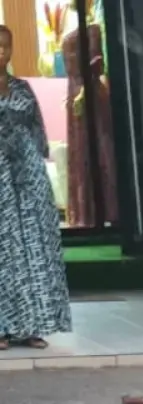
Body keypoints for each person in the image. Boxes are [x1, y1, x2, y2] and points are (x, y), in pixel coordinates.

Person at [0, 25, 73, 351]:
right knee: (5, 251)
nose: (2, 51)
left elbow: (37, 130)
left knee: (34, 248)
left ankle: (32, 326)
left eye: (6, 46)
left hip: (27, 174)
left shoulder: (22, 88)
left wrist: (39, 167)